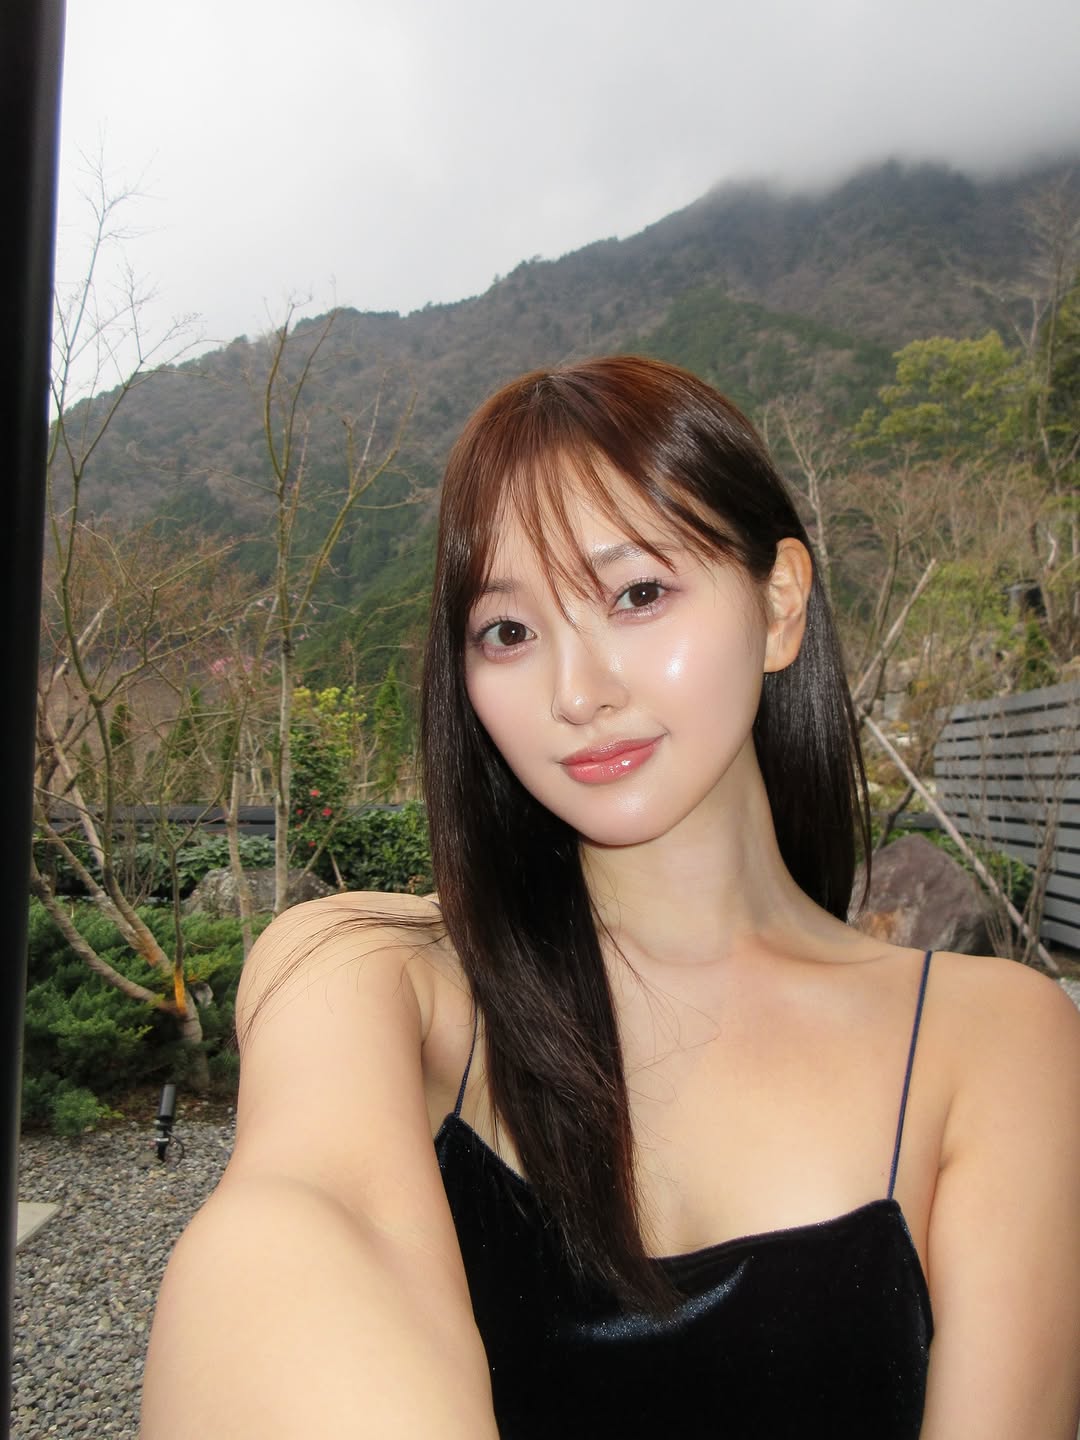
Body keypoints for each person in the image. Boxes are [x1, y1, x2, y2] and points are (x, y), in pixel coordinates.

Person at [141, 356, 1080, 1439]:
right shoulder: (369, 971)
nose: (577, 693)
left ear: (779, 603)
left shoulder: (994, 1045)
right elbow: (304, 1225)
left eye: (637, 595)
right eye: (508, 632)